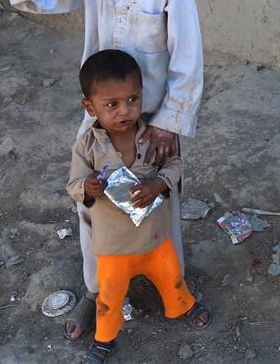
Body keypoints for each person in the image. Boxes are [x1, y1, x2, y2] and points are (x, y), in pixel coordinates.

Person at [0, 0, 203, 339]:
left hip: (152, 126)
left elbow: (187, 58)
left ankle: (173, 284)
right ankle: (96, 291)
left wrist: (168, 122)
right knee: (94, 208)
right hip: (100, 124)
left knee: (160, 207)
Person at [67, 49, 208, 363]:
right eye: (112, 105)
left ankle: (183, 305)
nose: (125, 112)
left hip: (155, 237)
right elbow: (73, 185)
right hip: (114, 248)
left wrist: (157, 183)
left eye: (133, 99)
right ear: (89, 107)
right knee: (110, 297)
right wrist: (87, 188)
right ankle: (105, 338)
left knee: (171, 276)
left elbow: (174, 165)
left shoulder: (151, 137)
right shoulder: (87, 147)